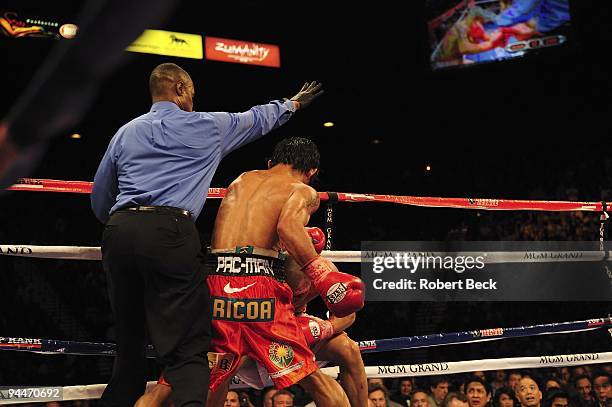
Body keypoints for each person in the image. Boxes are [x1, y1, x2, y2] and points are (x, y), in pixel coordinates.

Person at [91, 62, 324, 407]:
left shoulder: (126, 131)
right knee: (190, 351)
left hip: (119, 231)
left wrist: (127, 221)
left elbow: (100, 198)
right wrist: (291, 105)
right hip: (170, 232)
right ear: (182, 90)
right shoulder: (206, 126)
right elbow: (256, 119)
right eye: (193, 96)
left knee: (128, 348)